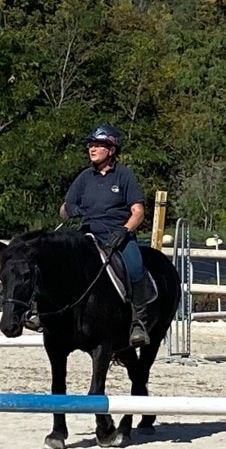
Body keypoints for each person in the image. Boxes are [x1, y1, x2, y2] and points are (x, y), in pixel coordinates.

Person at [59, 123, 151, 347]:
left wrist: (124, 230)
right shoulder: (84, 177)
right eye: (90, 145)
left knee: (135, 267)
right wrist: (70, 210)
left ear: (111, 149)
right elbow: (63, 208)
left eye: (98, 145)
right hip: (88, 234)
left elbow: (138, 212)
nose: (92, 149)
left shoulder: (124, 176)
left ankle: (139, 321)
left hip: (117, 234)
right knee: (60, 261)